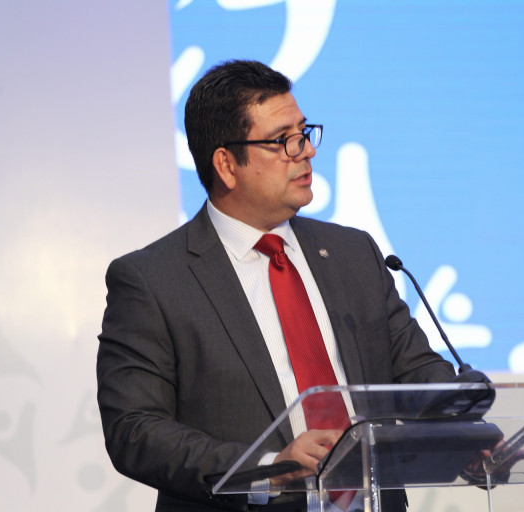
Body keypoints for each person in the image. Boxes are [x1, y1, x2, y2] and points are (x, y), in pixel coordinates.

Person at [96, 59, 456, 512]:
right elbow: (135, 430)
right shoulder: (153, 280)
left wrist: (462, 424)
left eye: (303, 133)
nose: (305, 151)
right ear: (227, 165)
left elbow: (416, 370)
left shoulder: (354, 253)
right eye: (282, 140)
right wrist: (267, 467)